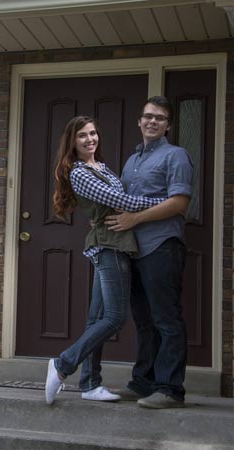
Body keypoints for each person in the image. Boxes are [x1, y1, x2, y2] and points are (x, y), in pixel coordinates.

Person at [46, 115, 166, 405]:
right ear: (72, 142)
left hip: (118, 243)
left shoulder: (100, 167)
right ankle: (63, 364)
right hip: (109, 246)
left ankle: (89, 383)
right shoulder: (79, 173)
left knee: (97, 319)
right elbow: (122, 202)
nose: (90, 139)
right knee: (114, 318)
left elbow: (119, 197)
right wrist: (166, 204)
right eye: (82, 136)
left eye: (93, 133)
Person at [105, 96, 193, 409]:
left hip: (162, 245)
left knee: (166, 319)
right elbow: (125, 200)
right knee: (143, 322)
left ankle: (170, 389)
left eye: (159, 117)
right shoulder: (132, 161)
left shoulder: (176, 156)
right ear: (139, 121)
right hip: (133, 250)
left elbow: (179, 203)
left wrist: (135, 218)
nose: (152, 121)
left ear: (168, 125)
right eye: (147, 116)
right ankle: (143, 383)